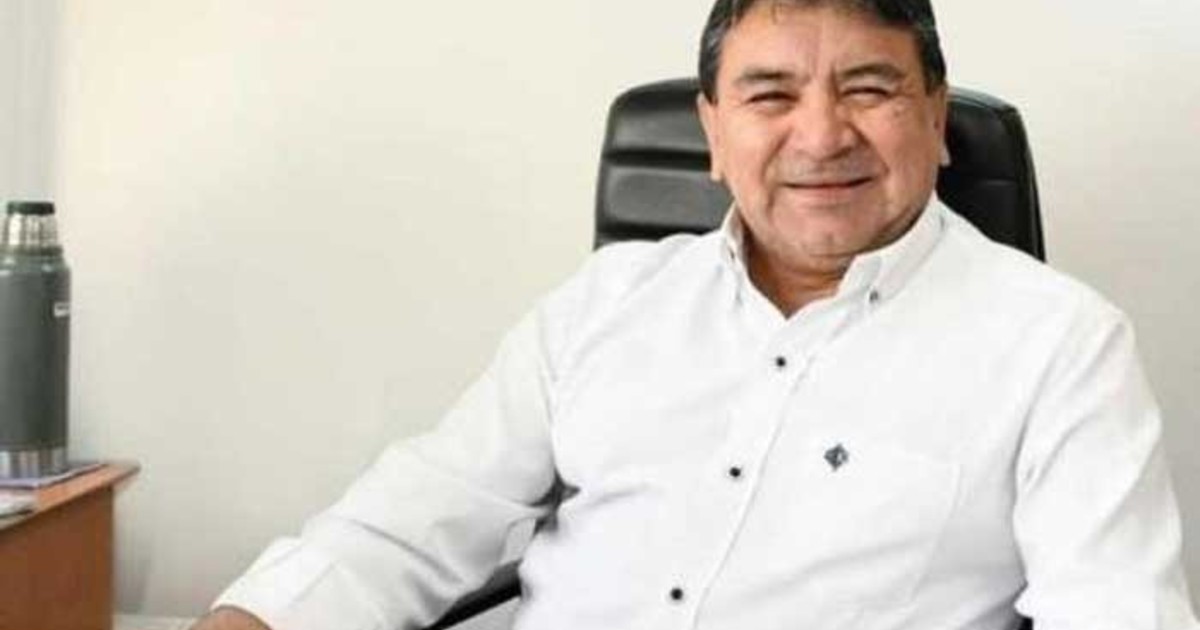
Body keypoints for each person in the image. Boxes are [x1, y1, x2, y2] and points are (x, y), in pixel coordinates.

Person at [194, 1, 1199, 629]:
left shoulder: (1060, 345)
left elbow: (1118, 613)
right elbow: (410, 523)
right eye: (770, 95)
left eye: (868, 88)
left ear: (935, 119)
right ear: (712, 133)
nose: (821, 135)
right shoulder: (606, 304)